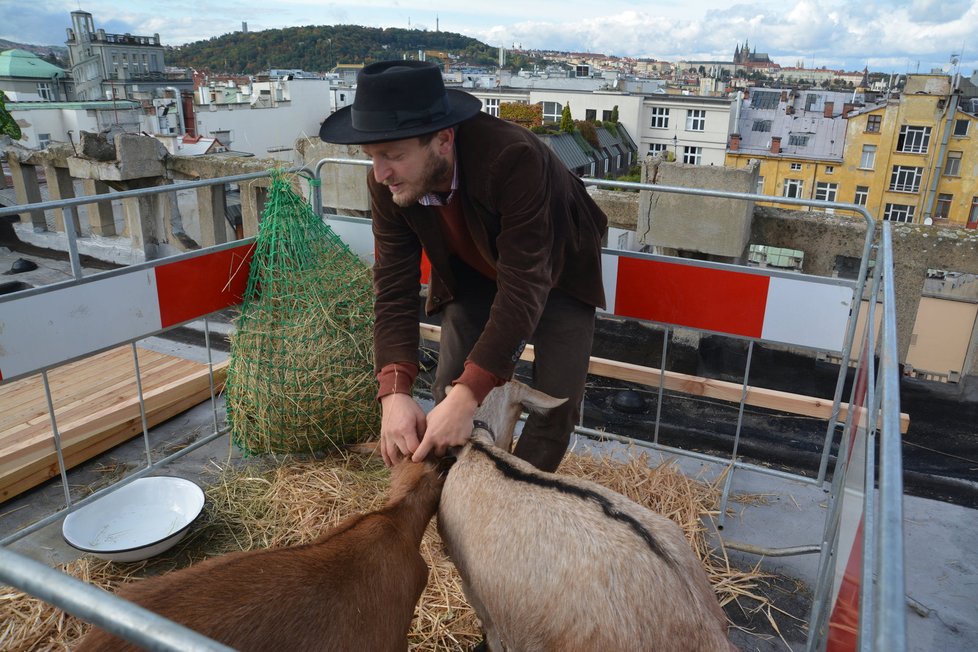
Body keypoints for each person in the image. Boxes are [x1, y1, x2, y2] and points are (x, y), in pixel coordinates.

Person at [319, 60, 607, 472]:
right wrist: (395, 390)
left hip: (558, 269)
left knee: (556, 405)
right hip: (472, 269)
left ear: (443, 139)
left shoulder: (514, 159)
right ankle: (456, 492)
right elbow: (394, 289)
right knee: (449, 385)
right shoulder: (387, 184)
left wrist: (470, 394)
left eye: (393, 155)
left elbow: (525, 286)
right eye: (371, 156)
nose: (381, 173)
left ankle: (517, 501)